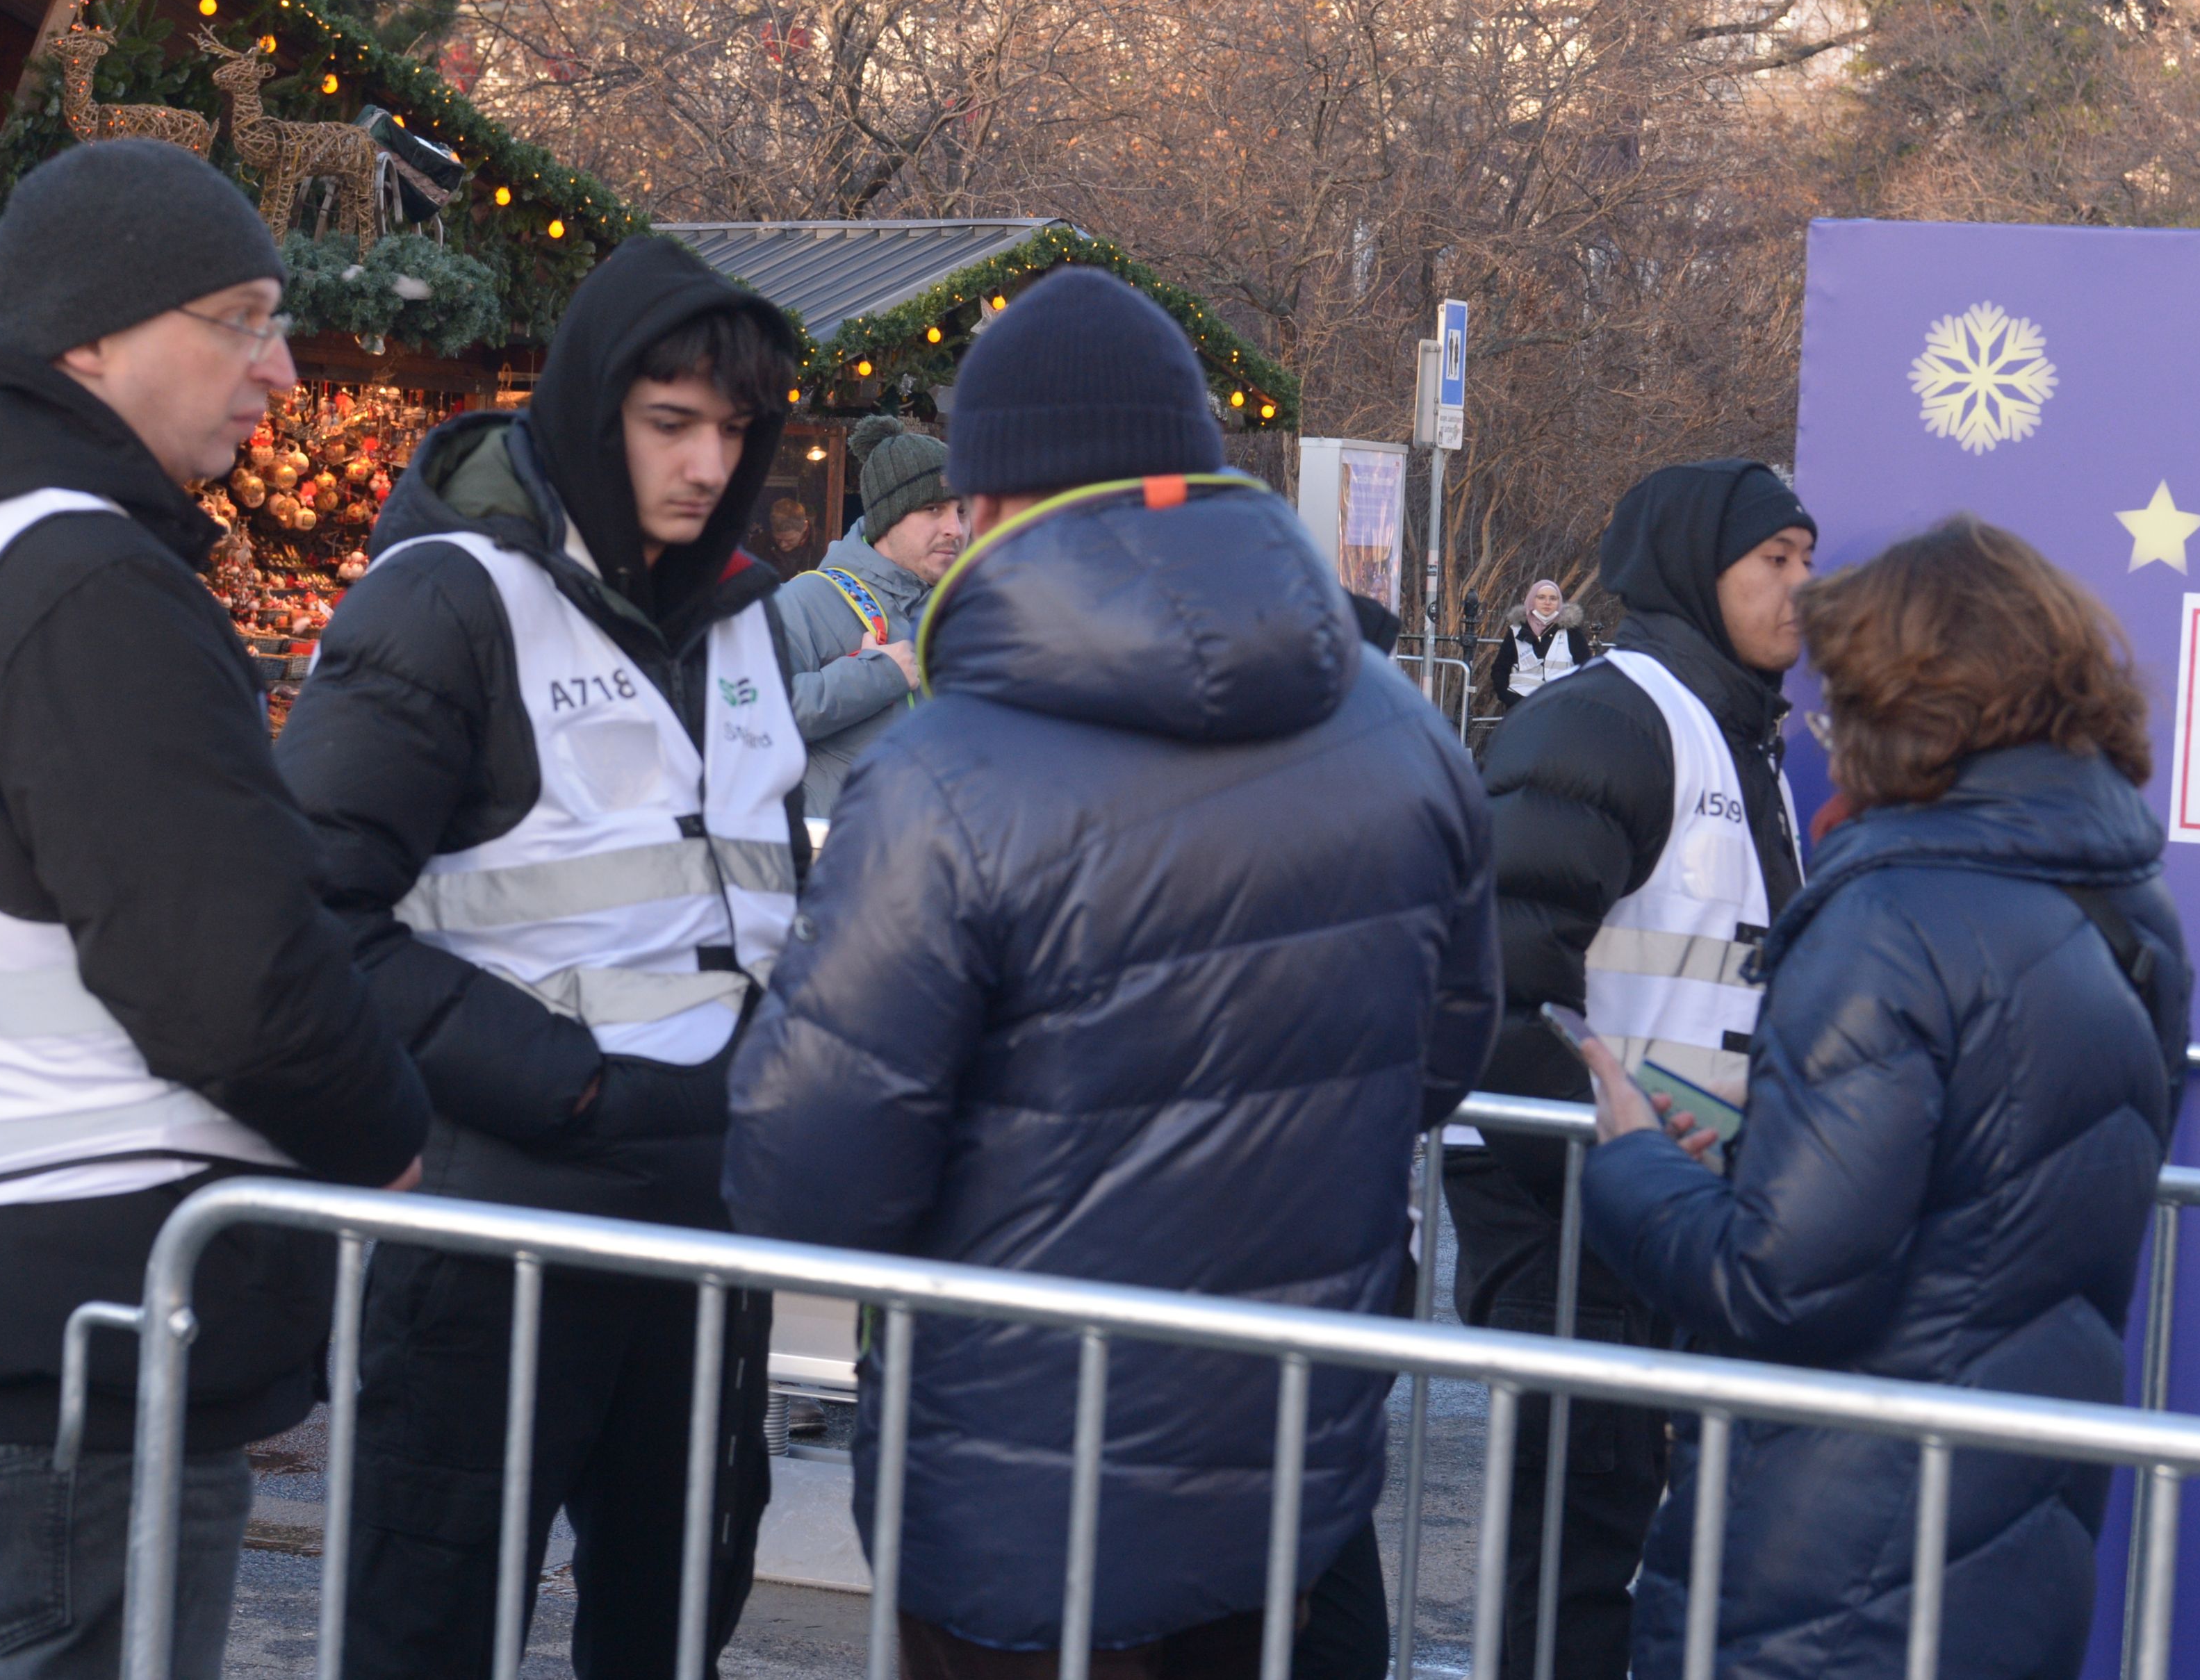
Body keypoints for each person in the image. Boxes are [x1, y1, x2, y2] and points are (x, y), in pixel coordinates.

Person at [724, 267, 1501, 1677]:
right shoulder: (1401, 732)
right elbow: (1442, 1049)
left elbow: (811, 1168)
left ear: (989, 502)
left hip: (1019, 1488)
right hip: (1288, 1464)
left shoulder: (942, 771)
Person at [0, 139, 430, 1680]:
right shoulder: (79, 579)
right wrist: (386, 1137)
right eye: (241, 317)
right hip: (83, 1303)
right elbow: (226, 970)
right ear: (92, 336)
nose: (279, 367)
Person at [274, 233, 807, 1679]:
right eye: (669, 422)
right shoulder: (446, 601)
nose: (705, 463)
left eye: (733, 429)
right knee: (426, 1628)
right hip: (494, 1230)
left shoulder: (748, 619)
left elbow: (760, 897)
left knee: (671, 1618)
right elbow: (316, 910)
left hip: (702, 1230)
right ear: (589, 410)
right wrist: (570, 1089)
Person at [1575, 516, 2187, 1679]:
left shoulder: (1891, 918)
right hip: (2008, 1542)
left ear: (1912, 699)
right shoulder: (2126, 907)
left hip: (1832, 1566)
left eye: (1846, 689)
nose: (1826, 719)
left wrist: (1633, 1161)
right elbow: (1990, 1181)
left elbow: (1781, 1283)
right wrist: (1777, 1145)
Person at [1448, 456, 1814, 1679]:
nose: (1802, 586)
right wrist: (1617, 1173)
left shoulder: (1737, 737)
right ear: (1696, 571)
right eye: (1776, 560)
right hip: (1574, 1216)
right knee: (1574, 1576)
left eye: (1809, 559)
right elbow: (1497, 985)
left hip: (1658, 1213)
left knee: (1628, 1567)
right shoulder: (1612, 720)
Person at [771, 413, 963, 814]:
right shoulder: (807, 599)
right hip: (838, 859)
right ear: (887, 518)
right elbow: (755, 720)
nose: (955, 529)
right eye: (933, 508)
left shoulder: (962, 612)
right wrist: (876, 676)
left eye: (960, 511)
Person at [1486, 578, 1586, 711]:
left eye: (1553, 598)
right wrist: (1509, 697)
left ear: (1559, 602)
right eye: (1541, 597)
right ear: (1533, 599)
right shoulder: (1516, 631)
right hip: (1521, 706)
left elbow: (1585, 670)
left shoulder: (1571, 633)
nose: (1547, 602)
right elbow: (1500, 669)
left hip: (1560, 707)